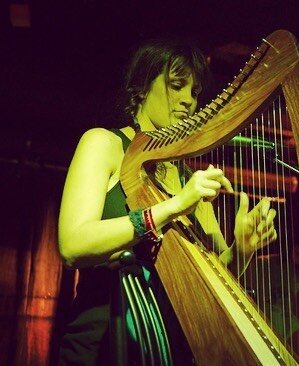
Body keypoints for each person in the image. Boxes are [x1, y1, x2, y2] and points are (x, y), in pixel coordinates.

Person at [56, 38, 277, 365]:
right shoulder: (103, 144)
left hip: (173, 349)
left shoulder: (190, 180)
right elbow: (72, 245)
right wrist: (172, 207)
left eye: (195, 92)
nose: (189, 100)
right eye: (177, 86)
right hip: (104, 345)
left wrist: (241, 250)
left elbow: (216, 280)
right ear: (143, 87)